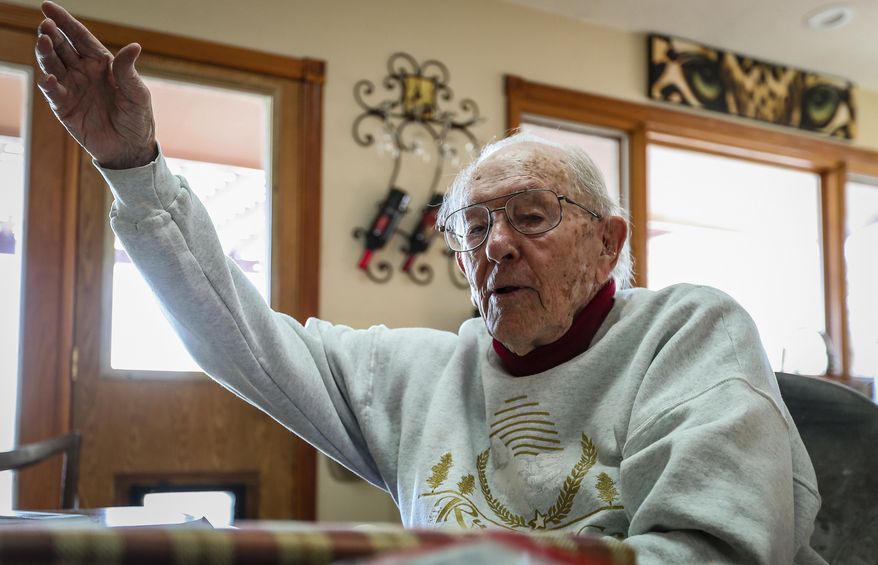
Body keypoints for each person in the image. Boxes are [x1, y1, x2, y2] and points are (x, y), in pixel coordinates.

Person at [34, 2, 826, 563]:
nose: (498, 246)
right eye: (474, 228)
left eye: (532, 214)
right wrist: (134, 170)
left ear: (607, 241)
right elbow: (241, 340)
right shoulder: (413, 376)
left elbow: (712, 552)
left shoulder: (690, 332)